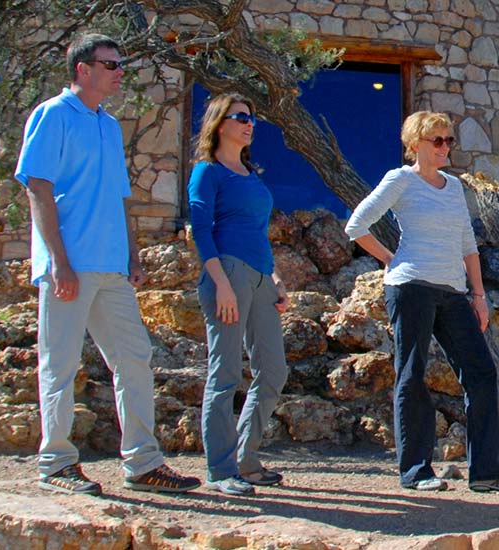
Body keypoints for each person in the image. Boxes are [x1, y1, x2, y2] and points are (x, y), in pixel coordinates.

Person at [16, 34, 199, 496]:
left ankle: (142, 464)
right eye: (111, 64)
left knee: (134, 358)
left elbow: (120, 197)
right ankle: (56, 463)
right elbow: (37, 188)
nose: (120, 72)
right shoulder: (52, 115)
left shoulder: (108, 124)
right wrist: (58, 261)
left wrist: (132, 256)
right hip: (69, 266)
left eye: (120, 64)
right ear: (82, 68)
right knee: (58, 364)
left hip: (111, 267)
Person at [345, 111, 499, 494]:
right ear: (415, 145)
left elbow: (467, 244)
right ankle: (416, 471)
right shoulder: (401, 180)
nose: (446, 147)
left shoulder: (456, 187)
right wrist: (390, 259)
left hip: (453, 292)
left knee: (481, 372)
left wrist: (478, 295)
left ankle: (487, 473)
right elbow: (356, 225)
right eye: (437, 140)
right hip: (411, 287)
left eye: (449, 140)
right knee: (412, 374)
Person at [187, 93, 292, 497]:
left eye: (253, 118)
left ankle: (246, 459)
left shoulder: (251, 174)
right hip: (226, 273)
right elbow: (201, 229)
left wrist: (276, 277)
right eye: (242, 117)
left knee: (273, 369)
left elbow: (258, 233)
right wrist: (222, 283)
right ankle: (220, 469)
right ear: (219, 123)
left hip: (260, 276)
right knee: (226, 371)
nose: (250, 123)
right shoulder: (207, 171)